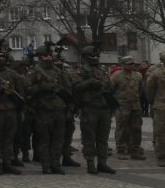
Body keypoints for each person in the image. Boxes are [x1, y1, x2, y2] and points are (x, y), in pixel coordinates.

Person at [25, 45, 71, 175]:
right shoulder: (34, 72)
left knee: (58, 139)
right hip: (43, 110)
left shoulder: (59, 71)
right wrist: (41, 87)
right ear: (40, 57)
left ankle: (55, 163)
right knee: (44, 139)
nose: (48, 58)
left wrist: (68, 107)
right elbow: (26, 89)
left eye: (50, 56)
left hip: (59, 110)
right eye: (45, 56)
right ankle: (45, 165)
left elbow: (67, 89)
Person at [73, 46, 117, 175]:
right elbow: (75, 87)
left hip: (104, 108)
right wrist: (89, 82)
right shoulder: (81, 71)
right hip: (89, 108)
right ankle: (90, 163)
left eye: (96, 56)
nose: (95, 58)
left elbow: (110, 86)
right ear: (86, 57)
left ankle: (102, 163)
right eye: (92, 56)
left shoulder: (103, 70)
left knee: (103, 138)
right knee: (89, 138)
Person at [110, 56, 145, 160]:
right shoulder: (116, 75)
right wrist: (116, 104)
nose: (131, 65)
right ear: (123, 64)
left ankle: (135, 150)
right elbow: (110, 90)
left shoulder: (138, 75)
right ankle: (121, 150)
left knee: (136, 129)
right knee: (122, 128)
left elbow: (140, 90)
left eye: (132, 63)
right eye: (129, 63)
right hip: (122, 106)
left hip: (135, 106)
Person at [145, 52, 165, 167]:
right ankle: (162, 156)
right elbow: (149, 89)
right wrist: (154, 101)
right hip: (161, 106)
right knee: (161, 132)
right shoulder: (157, 73)